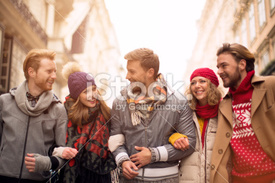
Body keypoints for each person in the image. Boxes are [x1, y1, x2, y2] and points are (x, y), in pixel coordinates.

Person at [108, 48, 196, 183]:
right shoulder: (120, 102)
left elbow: (190, 144)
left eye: (132, 71)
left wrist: (154, 155)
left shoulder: (179, 101)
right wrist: (124, 160)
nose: (127, 76)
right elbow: (116, 139)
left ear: (150, 72)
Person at [211, 43, 275, 183]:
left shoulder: (270, 85)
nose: (219, 71)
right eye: (218, 67)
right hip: (239, 180)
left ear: (242, 64)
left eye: (224, 66)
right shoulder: (223, 104)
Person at [0, 49, 67, 182]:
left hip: (38, 180)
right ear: (31, 72)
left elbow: (63, 153)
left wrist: (47, 163)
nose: (54, 76)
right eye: (49, 71)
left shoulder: (58, 109)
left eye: (55, 71)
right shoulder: (4, 102)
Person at [52, 62, 117, 183]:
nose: (92, 95)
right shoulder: (64, 113)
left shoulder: (107, 113)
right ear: (77, 96)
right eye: (85, 92)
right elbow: (52, 145)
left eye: (93, 89)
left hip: (100, 176)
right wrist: (62, 152)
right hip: (73, 175)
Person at [169, 68, 222, 183]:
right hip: (188, 178)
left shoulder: (224, 111)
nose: (197, 85)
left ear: (212, 85)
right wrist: (174, 137)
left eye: (202, 81)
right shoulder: (185, 110)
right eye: (193, 82)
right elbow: (168, 131)